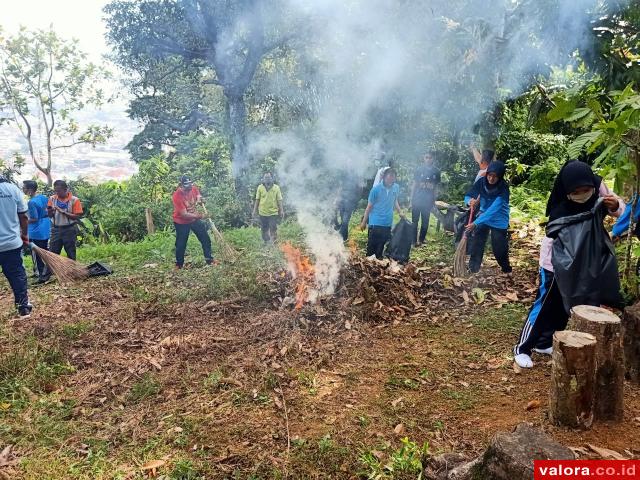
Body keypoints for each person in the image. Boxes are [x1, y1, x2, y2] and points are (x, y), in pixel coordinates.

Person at [513, 161, 624, 369]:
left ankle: (544, 344)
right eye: (576, 191)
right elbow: (552, 236)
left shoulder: (599, 189)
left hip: (584, 261)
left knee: (565, 304)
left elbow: (622, 211)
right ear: (566, 190)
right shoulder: (559, 208)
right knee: (545, 302)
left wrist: (615, 205)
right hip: (554, 262)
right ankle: (522, 347)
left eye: (586, 190)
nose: (582, 194)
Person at [464, 161, 512, 274]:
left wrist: (476, 222)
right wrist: (469, 201)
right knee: (477, 243)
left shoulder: (503, 188)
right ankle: (473, 269)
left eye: (495, 177)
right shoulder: (481, 182)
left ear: (500, 177)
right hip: (483, 217)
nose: (491, 179)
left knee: (499, 248)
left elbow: (493, 210)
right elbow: (468, 195)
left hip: (498, 220)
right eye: (490, 175)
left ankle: (506, 269)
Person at [0, 175, 32, 317]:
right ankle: (23, 307)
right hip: (11, 243)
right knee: (17, 275)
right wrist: (24, 235)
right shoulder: (12, 189)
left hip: (10, 243)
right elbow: (23, 217)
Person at [360, 168, 405, 258]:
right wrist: (364, 222)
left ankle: (377, 268)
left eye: (393, 176)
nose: (391, 178)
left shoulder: (396, 187)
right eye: (389, 176)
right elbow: (369, 207)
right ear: (384, 177)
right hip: (375, 224)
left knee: (380, 251)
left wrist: (400, 212)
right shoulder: (375, 190)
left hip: (387, 223)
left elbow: (395, 200)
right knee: (371, 252)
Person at [172, 175, 213, 269]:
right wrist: (200, 216)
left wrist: (199, 200)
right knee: (181, 244)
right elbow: (184, 214)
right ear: (181, 185)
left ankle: (209, 260)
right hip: (181, 222)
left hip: (194, 219)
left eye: (190, 185)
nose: (189, 189)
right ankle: (179, 265)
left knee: (205, 239)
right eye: (186, 186)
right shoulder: (177, 196)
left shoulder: (193, 188)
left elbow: (198, 195)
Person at [22, 180, 51, 283]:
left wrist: (23, 221)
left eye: (24, 188)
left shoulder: (31, 202)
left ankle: (40, 274)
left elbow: (34, 218)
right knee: (44, 250)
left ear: (30, 190)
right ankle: (45, 271)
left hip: (36, 230)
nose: (23, 189)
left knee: (37, 253)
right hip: (45, 227)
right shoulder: (43, 197)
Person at [47, 180, 83, 260]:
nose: (57, 193)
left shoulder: (74, 200)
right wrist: (50, 211)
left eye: (59, 191)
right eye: (55, 191)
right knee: (53, 252)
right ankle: (50, 271)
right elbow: (50, 216)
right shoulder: (52, 199)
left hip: (69, 229)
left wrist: (63, 212)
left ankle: (72, 270)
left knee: (70, 251)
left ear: (66, 189)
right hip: (56, 229)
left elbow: (77, 216)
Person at [411, 151, 441, 246]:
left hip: (428, 200)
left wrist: (434, 200)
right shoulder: (419, 170)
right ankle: (413, 240)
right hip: (417, 199)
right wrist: (411, 199)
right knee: (414, 221)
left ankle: (421, 239)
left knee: (425, 220)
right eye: (426, 157)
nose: (428, 159)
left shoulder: (436, 171)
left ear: (433, 159)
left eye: (430, 157)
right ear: (423, 158)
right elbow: (414, 185)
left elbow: (436, 187)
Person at [253, 173, 284, 245]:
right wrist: (254, 210)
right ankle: (266, 243)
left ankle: (274, 243)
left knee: (273, 228)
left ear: (272, 178)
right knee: (264, 229)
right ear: (263, 179)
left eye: (269, 177)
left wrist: (281, 210)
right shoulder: (260, 187)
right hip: (262, 212)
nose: (267, 179)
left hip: (273, 212)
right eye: (266, 178)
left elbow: (279, 200)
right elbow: (257, 199)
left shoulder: (276, 188)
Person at [335, 174, 363, 241]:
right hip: (342, 200)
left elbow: (360, 188)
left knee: (345, 221)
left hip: (350, 201)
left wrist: (356, 200)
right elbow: (340, 187)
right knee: (343, 220)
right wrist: (337, 199)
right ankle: (344, 238)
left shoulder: (357, 175)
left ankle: (340, 238)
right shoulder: (344, 175)